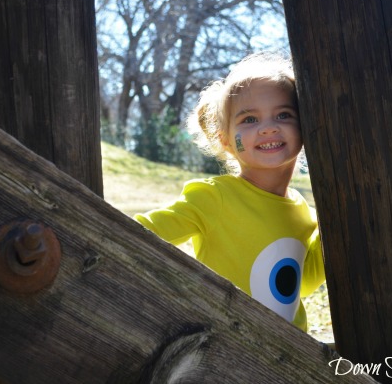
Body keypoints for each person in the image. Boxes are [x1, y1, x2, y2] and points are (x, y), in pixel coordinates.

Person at [134, 52, 325, 331]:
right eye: (249, 120)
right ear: (225, 140)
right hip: (225, 354)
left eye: (284, 115)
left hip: (288, 355)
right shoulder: (214, 199)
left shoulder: (302, 212)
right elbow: (140, 233)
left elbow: (302, 284)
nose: (268, 128)